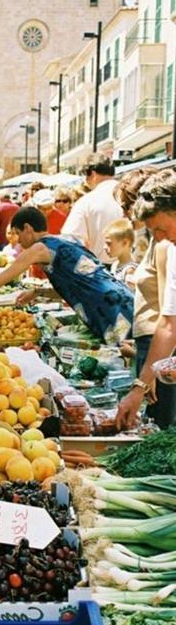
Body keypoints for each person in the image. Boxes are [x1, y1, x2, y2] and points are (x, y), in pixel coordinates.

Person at [0, 206, 134, 344]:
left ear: (28, 228)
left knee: (127, 358)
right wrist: (38, 292)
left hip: (109, 308)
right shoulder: (64, 240)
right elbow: (76, 284)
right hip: (120, 299)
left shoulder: (40, 248)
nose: (18, 240)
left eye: (17, 233)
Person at [117, 169, 176, 430]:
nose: (161, 238)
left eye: (162, 228)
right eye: (154, 232)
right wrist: (141, 385)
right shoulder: (172, 249)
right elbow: (168, 323)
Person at [61, 153, 123, 262]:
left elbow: (70, 239)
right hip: (135, 268)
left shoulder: (86, 201)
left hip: (102, 270)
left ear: (93, 174)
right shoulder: (130, 193)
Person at [103, 219, 137, 286]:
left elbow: (129, 295)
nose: (104, 247)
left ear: (125, 243)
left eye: (109, 243)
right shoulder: (115, 264)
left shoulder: (130, 270)